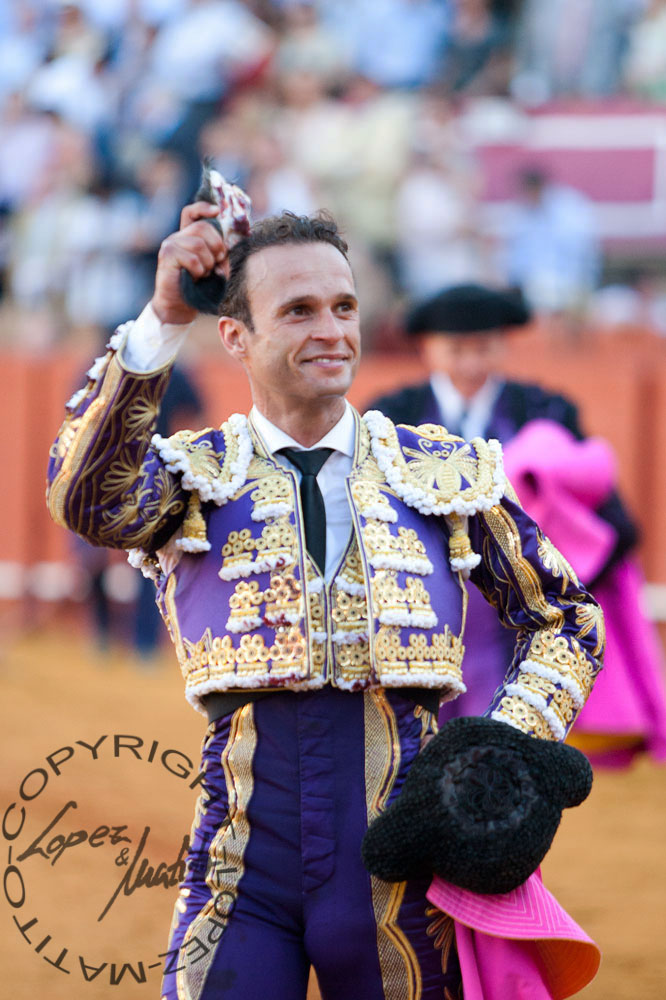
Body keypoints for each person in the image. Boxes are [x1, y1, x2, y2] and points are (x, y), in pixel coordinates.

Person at [46, 201, 604, 998]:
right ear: (236, 337)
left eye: (344, 307)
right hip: (241, 866)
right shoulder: (193, 476)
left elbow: (565, 617)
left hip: (401, 864)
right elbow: (83, 499)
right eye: (299, 310)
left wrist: (503, 745)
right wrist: (163, 318)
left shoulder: (437, 470)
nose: (332, 331)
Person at [368, 282, 640, 734]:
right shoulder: (389, 416)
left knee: (505, 748)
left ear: (502, 346)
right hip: (420, 616)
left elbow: (609, 526)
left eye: (484, 348)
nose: (472, 363)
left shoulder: (546, 411)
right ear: (428, 348)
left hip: (515, 617)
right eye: (457, 349)